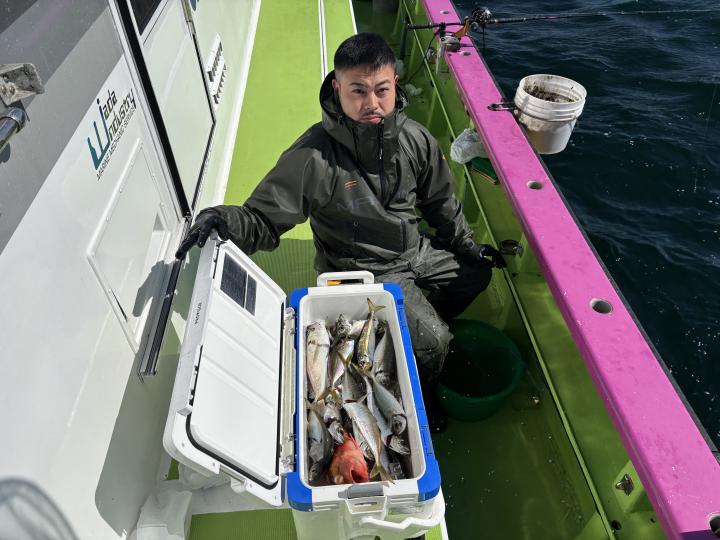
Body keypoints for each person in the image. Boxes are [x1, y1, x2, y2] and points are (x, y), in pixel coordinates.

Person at [175, 33, 505, 432]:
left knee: (476, 275)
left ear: (395, 83)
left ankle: (403, 334)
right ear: (337, 88)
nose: (371, 103)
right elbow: (262, 218)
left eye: (381, 90)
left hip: (413, 252)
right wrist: (223, 219)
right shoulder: (314, 156)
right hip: (361, 269)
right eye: (358, 91)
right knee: (435, 342)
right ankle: (419, 387)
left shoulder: (415, 139)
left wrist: (468, 246)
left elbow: (441, 203)